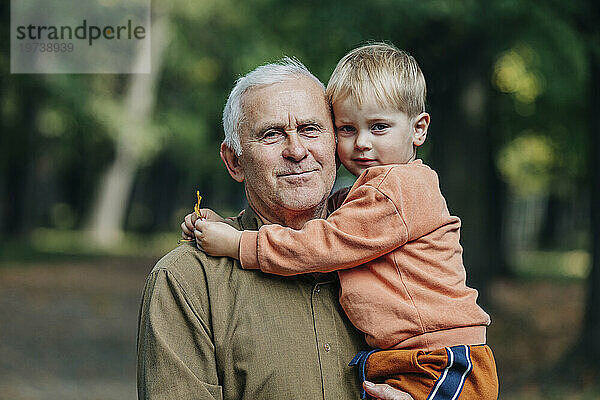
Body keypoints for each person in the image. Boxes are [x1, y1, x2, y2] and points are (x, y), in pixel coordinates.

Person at [184, 44, 499, 399]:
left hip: (440, 358)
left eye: (379, 127)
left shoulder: (395, 189)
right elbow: (326, 220)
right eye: (347, 129)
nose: (362, 143)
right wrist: (223, 225)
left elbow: (322, 243)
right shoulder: (364, 196)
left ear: (419, 129)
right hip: (408, 357)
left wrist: (238, 243)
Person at [138, 57, 411, 400]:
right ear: (234, 161)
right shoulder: (188, 281)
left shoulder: (400, 252)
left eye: (311, 130)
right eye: (271, 135)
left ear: (335, 144)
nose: (297, 151)